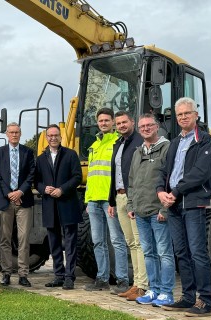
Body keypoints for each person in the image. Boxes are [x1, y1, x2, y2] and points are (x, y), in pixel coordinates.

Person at [157, 97, 211, 317]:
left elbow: (200, 173)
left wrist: (175, 192)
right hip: (173, 205)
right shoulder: (174, 143)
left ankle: (205, 301)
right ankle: (188, 297)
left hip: (192, 203)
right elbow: (164, 172)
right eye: (179, 114)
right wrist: (160, 192)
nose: (182, 117)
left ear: (195, 115)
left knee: (197, 252)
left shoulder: (205, 141)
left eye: (186, 113)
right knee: (181, 252)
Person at [127, 114, 175, 306]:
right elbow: (132, 182)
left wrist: (165, 209)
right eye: (142, 126)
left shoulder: (167, 148)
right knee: (149, 253)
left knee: (164, 253)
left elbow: (171, 179)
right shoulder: (138, 152)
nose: (146, 129)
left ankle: (167, 292)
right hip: (140, 212)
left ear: (157, 127)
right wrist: (131, 205)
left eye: (149, 125)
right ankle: (153, 290)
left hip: (158, 212)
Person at [84, 107, 129, 292]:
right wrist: (87, 200)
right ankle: (101, 279)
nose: (103, 123)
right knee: (98, 241)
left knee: (117, 240)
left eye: (107, 121)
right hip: (94, 200)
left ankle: (122, 280)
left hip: (109, 200)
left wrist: (113, 200)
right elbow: (92, 176)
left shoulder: (117, 143)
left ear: (113, 123)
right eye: (100, 121)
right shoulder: (94, 146)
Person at [35, 124, 82, 290]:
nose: (53, 138)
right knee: (53, 243)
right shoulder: (40, 159)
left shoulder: (71, 155)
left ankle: (70, 277)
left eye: (56, 135)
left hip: (67, 203)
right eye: (50, 135)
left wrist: (62, 189)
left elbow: (77, 177)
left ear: (60, 137)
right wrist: (43, 189)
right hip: (50, 205)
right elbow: (37, 181)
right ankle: (59, 276)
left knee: (70, 243)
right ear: (46, 138)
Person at [107, 110, 147, 298]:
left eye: (125, 122)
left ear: (133, 122)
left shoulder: (139, 142)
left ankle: (142, 285)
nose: (122, 125)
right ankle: (136, 284)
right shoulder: (118, 144)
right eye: (119, 123)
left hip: (134, 198)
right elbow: (114, 174)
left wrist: (134, 198)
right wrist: (111, 201)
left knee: (139, 242)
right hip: (119, 197)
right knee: (130, 242)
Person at [0, 122, 35, 287]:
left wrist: (20, 192)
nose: (14, 135)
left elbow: (32, 174)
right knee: (5, 238)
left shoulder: (28, 152)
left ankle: (23, 275)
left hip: (24, 201)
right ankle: (6, 273)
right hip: (5, 201)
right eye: (11, 132)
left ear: (20, 133)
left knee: (23, 239)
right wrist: (9, 194)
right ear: (7, 135)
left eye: (17, 132)